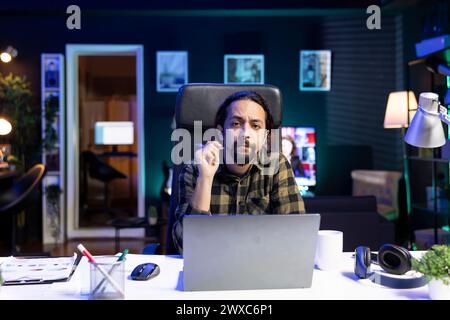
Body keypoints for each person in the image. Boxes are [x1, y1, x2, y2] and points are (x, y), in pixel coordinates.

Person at [172, 91, 305, 253]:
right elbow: (185, 247)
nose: (245, 134)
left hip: (262, 267)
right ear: (220, 133)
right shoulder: (195, 169)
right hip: (211, 268)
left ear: (265, 137)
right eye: (236, 124)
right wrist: (205, 179)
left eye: (255, 126)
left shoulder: (277, 166)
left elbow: (297, 236)